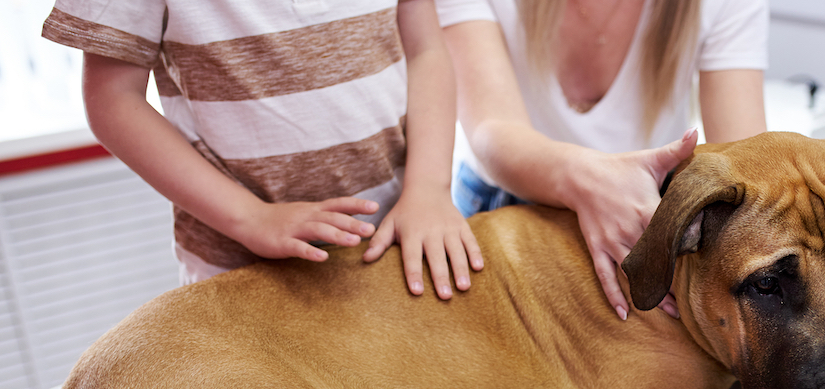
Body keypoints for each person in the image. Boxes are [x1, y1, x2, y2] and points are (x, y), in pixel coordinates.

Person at [42, 0, 482, 298]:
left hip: (392, 247)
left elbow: (426, 50)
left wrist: (428, 188)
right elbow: (112, 101)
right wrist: (250, 218)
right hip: (240, 271)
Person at [437, 0, 768, 319]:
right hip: (503, 199)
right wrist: (588, 181)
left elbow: (747, 162)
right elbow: (491, 129)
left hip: (643, 214)